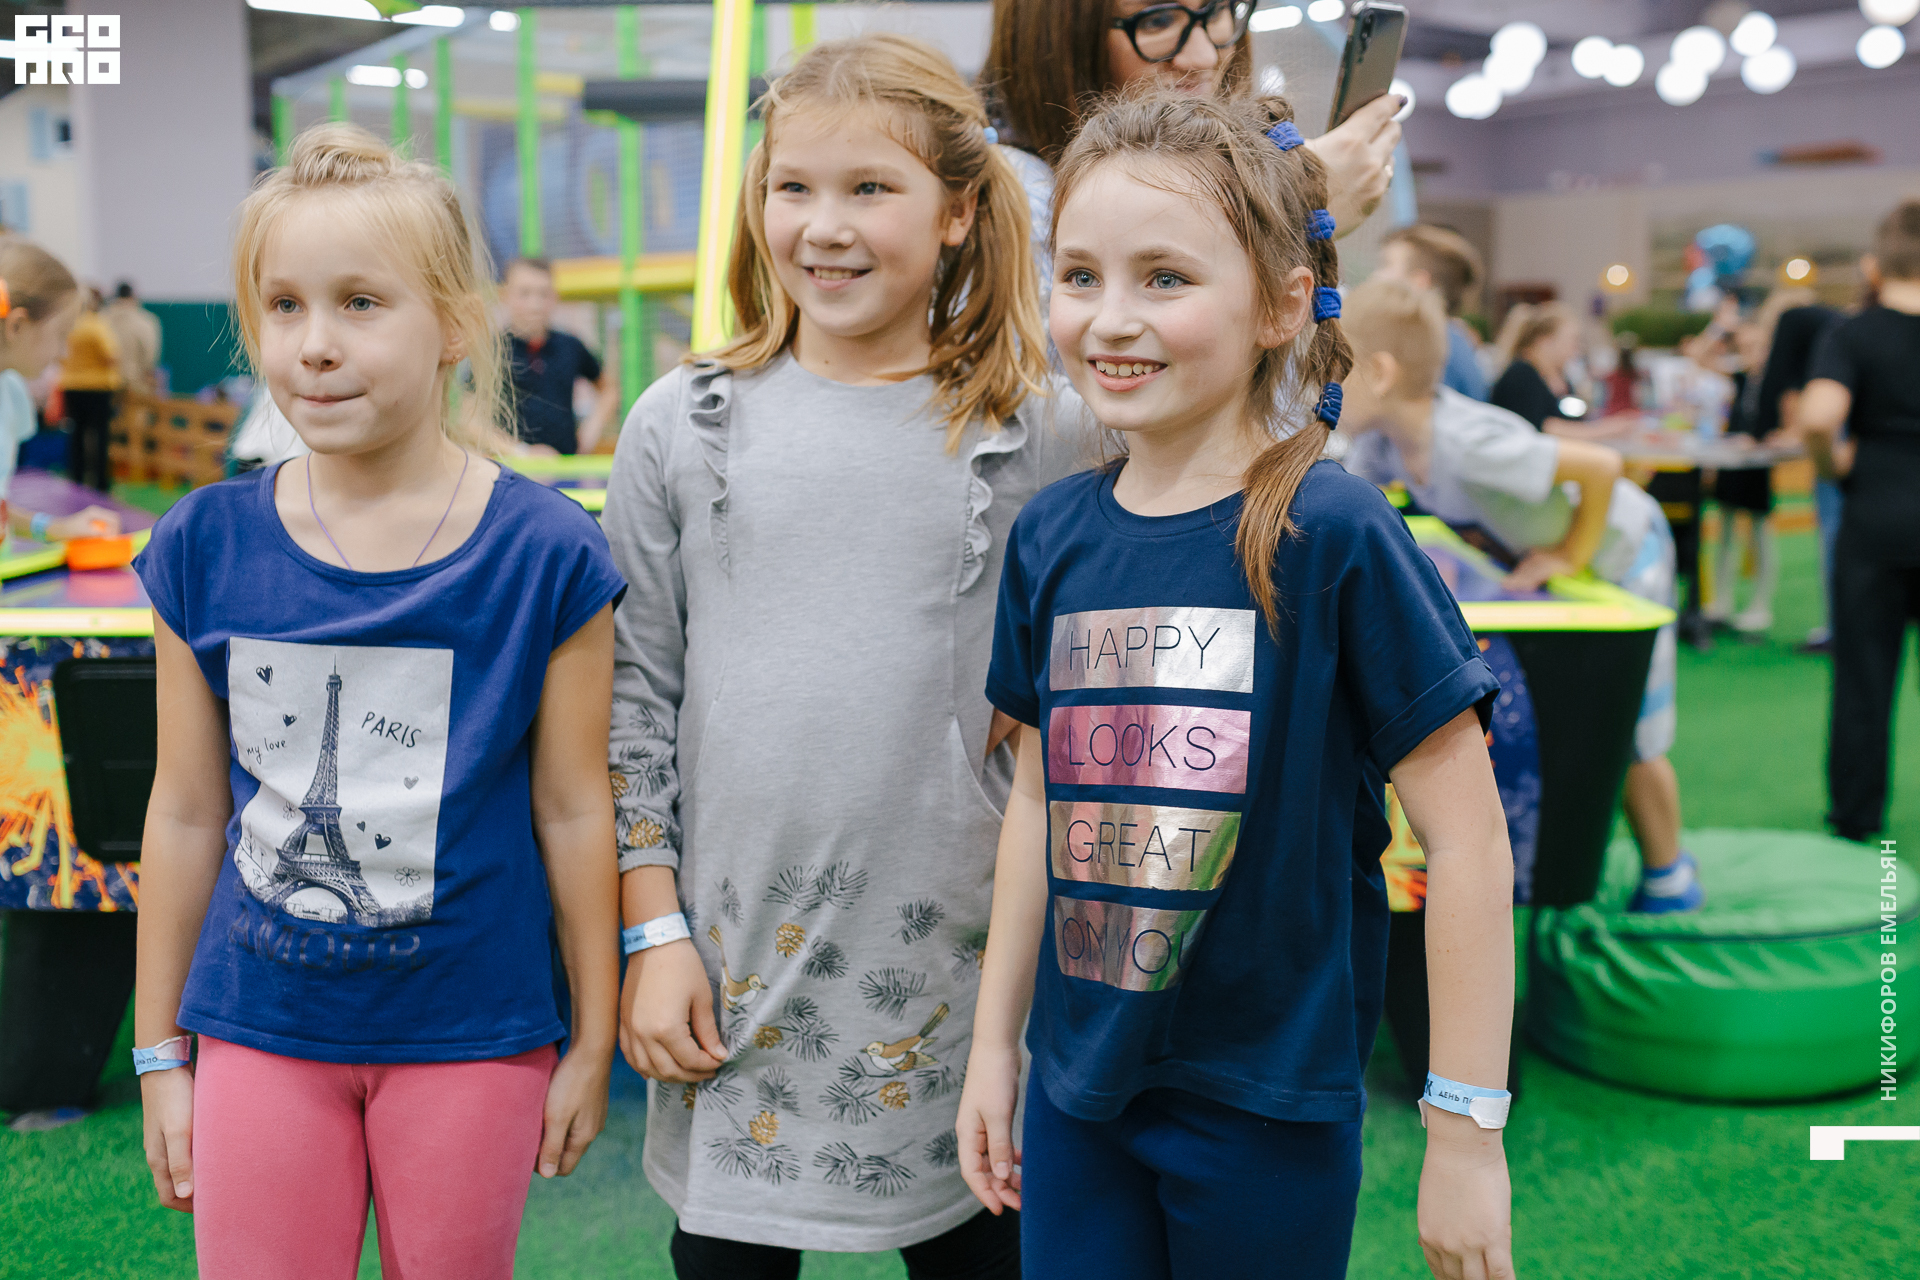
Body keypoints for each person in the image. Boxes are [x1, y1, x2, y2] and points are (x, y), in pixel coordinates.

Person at [958, 91, 1515, 1279]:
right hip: (1077, 1093)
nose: (1112, 317)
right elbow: (1037, 800)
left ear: (1278, 305)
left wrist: (1467, 1132)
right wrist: (995, 1047)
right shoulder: (1051, 535)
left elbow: (1469, 841)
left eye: (1165, 277)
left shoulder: (1334, 530)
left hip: (1267, 1107)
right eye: (1081, 275)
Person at [608, 36, 1087, 1280]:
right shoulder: (681, 424)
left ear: (959, 210)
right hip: (731, 964)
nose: (824, 226)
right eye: (794, 186)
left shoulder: (1048, 433)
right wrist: (650, 931)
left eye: (870, 187)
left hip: (966, 975)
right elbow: (635, 695)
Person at [130, 124, 626, 1278]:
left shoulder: (548, 551)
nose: (314, 344)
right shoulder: (202, 544)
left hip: (474, 1028)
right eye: (284, 305)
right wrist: (158, 1050)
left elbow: (572, 806)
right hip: (257, 1021)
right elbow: (186, 811)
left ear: (455, 322)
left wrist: (594, 1037)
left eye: (360, 303)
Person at [1340, 277, 1702, 915]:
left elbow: (1599, 468)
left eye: (1329, 369)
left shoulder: (1466, 442)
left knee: (1632, 729)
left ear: (1381, 373)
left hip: (1625, 551)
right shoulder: (1383, 443)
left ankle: (1669, 874)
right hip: (1569, 567)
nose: (1317, 387)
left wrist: (1567, 558)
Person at [980, 0, 1403, 291]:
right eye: (1158, 20)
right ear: (1054, 37)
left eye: (1216, 10)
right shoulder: (1016, 198)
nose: (1203, 58)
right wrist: (1294, 218)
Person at [1799, 199, 1920, 843]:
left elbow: (1819, 416)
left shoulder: (1853, 333)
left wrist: (1834, 467)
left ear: (1876, 264)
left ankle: (1855, 821)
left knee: (1864, 680)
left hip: (1875, 518)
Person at [0, 239, 122, 541]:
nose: (64, 352)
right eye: (61, 335)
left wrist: (54, 528)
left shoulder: (12, 393)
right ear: (17, 327)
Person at [1757, 303, 1844, 652]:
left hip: (1839, 452)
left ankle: (1838, 627)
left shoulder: (1799, 329)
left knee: (1834, 531)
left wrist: (1798, 438)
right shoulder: (1838, 330)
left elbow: (1816, 417)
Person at [1703, 320, 1778, 635]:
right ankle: (1720, 602)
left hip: (1758, 468)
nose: (1750, 353)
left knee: (1760, 535)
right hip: (1731, 464)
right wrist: (1720, 327)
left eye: (1756, 347)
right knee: (1725, 533)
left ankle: (1760, 606)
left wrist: (1760, 443)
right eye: (1744, 347)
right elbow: (1701, 358)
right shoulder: (1740, 378)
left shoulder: (1776, 383)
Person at [502, 256, 617, 455]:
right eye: (524, 293)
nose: (535, 304)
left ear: (554, 297)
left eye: (543, 294)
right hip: (510, 467)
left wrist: (591, 429)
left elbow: (609, 389)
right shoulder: (493, 349)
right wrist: (521, 452)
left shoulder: (570, 345)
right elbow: (469, 419)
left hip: (565, 465)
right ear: (507, 295)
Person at [1490, 301, 1640, 440]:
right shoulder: (1521, 375)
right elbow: (1544, 427)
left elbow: (1574, 420)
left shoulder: (1559, 376)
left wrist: (1611, 423)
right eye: (1572, 340)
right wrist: (1607, 429)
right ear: (1546, 341)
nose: (1577, 349)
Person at [1374, 223, 1489, 400]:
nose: (1376, 276)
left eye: (1386, 265)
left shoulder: (1433, 351)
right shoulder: (1451, 339)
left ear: (1419, 281)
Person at [60, 286, 121, 493]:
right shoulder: (97, 325)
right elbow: (111, 356)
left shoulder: (71, 325)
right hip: (97, 388)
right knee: (100, 435)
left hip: (72, 385)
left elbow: (61, 355)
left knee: (76, 434)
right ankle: (101, 482)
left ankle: (76, 477)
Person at [103, 279, 162, 396]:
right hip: (135, 386)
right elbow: (150, 358)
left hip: (105, 385)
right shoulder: (147, 321)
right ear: (133, 296)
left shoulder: (101, 318)